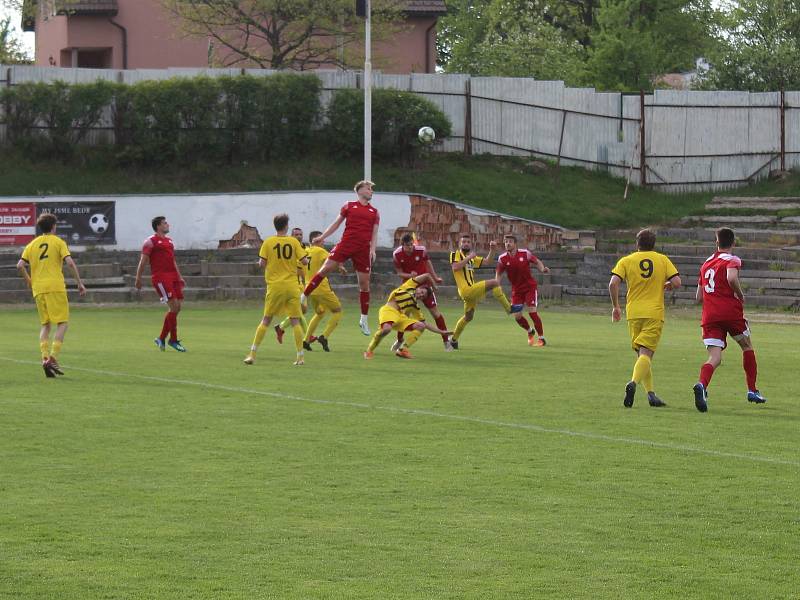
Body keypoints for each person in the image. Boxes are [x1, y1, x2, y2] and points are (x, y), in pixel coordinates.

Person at [692, 227, 766, 412]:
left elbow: (698, 297)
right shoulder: (732, 259)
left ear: (716, 243)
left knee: (715, 357)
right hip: (730, 313)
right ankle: (752, 390)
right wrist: (740, 295)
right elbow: (731, 277)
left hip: (710, 316)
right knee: (747, 346)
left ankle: (702, 385)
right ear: (733, 243)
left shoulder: (706, 264)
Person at [608, 228, 681, 408]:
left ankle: (651, 395)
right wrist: (668, 285)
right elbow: (678, 282)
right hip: (653, 313)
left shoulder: (626, 261)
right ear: (654, 244)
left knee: (642, 355)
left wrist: (615, 306)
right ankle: (633, 383)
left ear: (637, 243)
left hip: (633, 313)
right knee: (647, 354)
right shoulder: (662, 260)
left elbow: (613, 283)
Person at [300, 180, 379, 336]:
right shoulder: (349, 205)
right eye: (369, 188)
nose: (371, 191)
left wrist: (373, 250)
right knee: (326, 268)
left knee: (364, 284)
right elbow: (336, 224)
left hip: (363, 249)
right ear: (360, 190)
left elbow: (374, 232)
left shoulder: (374, 212)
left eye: (371, 189)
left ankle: (363, 319)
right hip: (346, 244)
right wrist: (322, 237)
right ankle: (303, 296)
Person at [17, 212, 87, 377]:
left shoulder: (32, 244)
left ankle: (44, 358)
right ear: (54, 226)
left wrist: (29, 281)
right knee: (62, 323)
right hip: (55, 287)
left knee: (45, 325)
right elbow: (69, 262)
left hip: (38, 289)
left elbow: (20, 265)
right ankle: (53, 357)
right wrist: (79, 283)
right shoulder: (58, 242)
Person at [244, 213, 309, 366]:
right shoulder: (293, 242)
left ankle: (252, 354)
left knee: (266, 319)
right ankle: (300, 357)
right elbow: (305, 261)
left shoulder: (268, 242)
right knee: (295, 321)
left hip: (275, 287)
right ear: (286, 226)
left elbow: (261, 263)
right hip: (292, 286)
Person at [363, 273, 451, 360]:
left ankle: (403, 350)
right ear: (418, 287)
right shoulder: (409, 285)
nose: (421, 295)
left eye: (423, 296)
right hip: (388, 310)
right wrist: (434, 286)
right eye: (422, 292)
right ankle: (369, 350)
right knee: (386, 329)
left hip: (400, 317)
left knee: (421, 326)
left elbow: (425, 324)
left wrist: (442, 332)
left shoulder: (414, 306)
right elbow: (427, 275)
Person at [448, 234, 512, 349]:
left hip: (471, 291)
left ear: (471, 244)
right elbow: (455, 267)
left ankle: (453, 340)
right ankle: (509, 308)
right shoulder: (455, 254)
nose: (466, 244)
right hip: (466, 290)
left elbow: (487, 262)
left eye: (468, 242)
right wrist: (469, 257)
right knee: (495, 282)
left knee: (468, 317)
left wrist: (492, 250)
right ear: (459, 244)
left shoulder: (472, 258)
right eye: (464, 242)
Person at [135, 216, 187, 352]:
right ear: (158, 226)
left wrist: (179, 276)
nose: (168, 224)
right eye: (165, 223)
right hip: (161, 278)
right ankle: (173, 340)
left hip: (173, 276)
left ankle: (161, 338)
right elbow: (143, 261)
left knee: (177, 307)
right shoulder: (150, 242)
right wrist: (138, 278)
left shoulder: (169, 241)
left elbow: (172, 260)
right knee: (174, 306)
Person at [392, 232, 450, 351]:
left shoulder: (421, 250)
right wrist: (409, 275)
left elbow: (428, 263)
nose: (410, 247)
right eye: (407, 245)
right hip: (408, 288)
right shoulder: (397, 254)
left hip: (424, 286)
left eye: (411, 244)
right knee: (405, 315)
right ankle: (399, 340)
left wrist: (435, 278)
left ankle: (446, 341)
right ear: (402, 245)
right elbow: (399, 273)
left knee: (435, 313)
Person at [496, 234, 550, 347]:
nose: (507, 243)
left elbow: (537, 261)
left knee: (532, 312)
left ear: (515, 244)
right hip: (517, 290)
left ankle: (541, 338)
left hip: (529, 287)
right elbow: (499, 273)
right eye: (506, 242)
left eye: (510, 241)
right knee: (517, 316)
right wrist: (497, 284)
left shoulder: (525, 253)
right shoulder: (502, 258)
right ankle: (530, 331)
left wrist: (542, 269)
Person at [301, 230, 345, 352]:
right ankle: (324, 337)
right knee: (338, 311)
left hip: (309, 289)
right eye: (321, 240)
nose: (323, 242)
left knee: (320, 313)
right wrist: (341, 267)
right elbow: (334, 260)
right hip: (321, 288)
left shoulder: (305, 251)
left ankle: (305, 340)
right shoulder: (320, 251)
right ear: (316, 240)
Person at [274, 226, 310, 343]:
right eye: (296, 235)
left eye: (300, 234)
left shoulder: (305, 248)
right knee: (299, 310)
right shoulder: (291, 248)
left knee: (301, 311)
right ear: (292, 236)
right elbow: (299, 267)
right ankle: (309, 336)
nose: (299, 236)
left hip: (303, 283)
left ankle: (281, 327)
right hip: (294, 283)